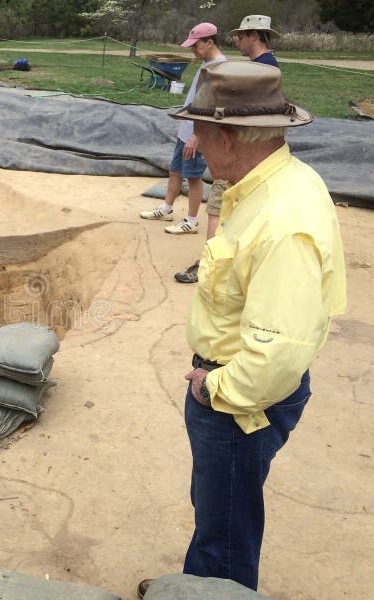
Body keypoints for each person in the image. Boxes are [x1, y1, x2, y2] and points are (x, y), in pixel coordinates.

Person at [137, 61, 346, 597]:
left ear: (228, 136)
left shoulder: (282, 222)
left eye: (199, 132)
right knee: (220, 512)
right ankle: (195, 585)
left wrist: (213, 389)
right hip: (234, 391)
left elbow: (276, 355)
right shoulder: (275, 182)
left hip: (237, 403)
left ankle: (211, 587)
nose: (194, 145)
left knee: (225, 533)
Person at [174, 15, 280, 284]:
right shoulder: (262, 66)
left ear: (255, 36)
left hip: (242, 152)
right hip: (248, 152)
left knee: (217, 207)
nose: (237, 41)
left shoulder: (262, 69)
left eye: (241, 36)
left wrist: (205, 135)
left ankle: (209, 265)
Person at [140, 23, 226, 235]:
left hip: (197, 136)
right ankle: (166, 208)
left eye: (196, 46)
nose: (193, 51)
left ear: (209, 42)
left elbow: (213, 107)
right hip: (186, 131)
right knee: (175, 170)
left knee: (193, 177)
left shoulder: (219, 69)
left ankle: (192, 220)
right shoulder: (207, 63)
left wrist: (196, 136)